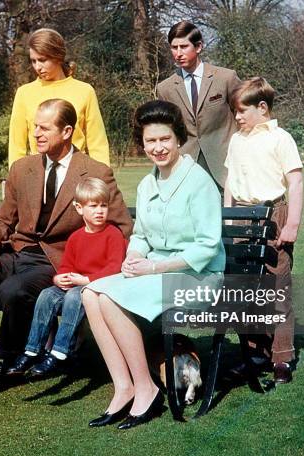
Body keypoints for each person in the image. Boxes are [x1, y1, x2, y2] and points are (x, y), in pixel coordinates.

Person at [0, 99, 132, 405]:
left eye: (44, 127)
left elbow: (120, 226)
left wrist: (88, 271)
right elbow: (3, 218)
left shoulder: (95, 171)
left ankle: (9, 366)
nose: (35, 133)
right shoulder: (22, 168)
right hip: (17, 252)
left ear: (66, 131)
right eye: (35, 126)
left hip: (59, 261)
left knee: (15, 289)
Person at [81, 100, 225, 430]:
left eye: (164, 139)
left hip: (197, 276)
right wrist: (134, 256)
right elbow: (143, 235)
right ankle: (125, 386)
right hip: (157, 271)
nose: (157, 148)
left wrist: (154, 269)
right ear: (142, 143)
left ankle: (146, 388)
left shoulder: (198, 182)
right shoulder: (147, 185)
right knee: (92, 293)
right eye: (150, 141)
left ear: (178, 139)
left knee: (111, 299)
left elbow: (206, 247)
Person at [223, 77, 304, 384]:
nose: (238, 117)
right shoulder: (237, 140)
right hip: (242, 216)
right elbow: (230, 181)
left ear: (262, 107)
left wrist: (292, 224)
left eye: (242, 111)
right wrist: (230, 220)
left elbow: (295, 182)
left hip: (273, 214)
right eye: (235, 112)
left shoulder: (280, 138)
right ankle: (255, 352)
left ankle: (282, 357)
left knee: (277, 288)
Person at [5, 177, 127, 378]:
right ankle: (32, 350)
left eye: (103, 206)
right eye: (93, 206)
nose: (99, 211)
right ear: (79, 208)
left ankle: (60, 352)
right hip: (76, 285)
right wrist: (59, 278)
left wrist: (85, 281)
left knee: (73, 296)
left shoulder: (112, 234)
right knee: (47, 294)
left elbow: (114, 269)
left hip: (99, 289)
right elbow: (66, 266)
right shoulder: (76, 237)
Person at [156, 20, 240, 191]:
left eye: (184, 46)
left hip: (226, 166)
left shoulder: (226, 78)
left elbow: (245, 115)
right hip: (186, 169)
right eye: (174, 47)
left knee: (230, 217)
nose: (178, 53)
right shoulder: (165, 88)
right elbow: (167, 131)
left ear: (199, 46)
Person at [8, 28, 110, 167]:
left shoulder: (84, 91)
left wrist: (101, 180)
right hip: (39, 174)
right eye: (33, 61)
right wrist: (17, 180)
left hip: (77, 173)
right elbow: (16, 146)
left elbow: (97, 143)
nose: (37, 67)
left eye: (42, 60)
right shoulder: (24, 93)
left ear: (58, 56)